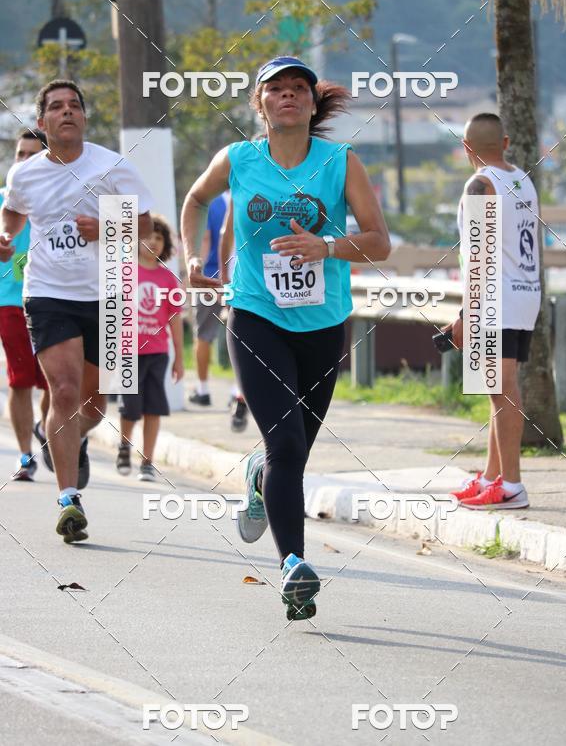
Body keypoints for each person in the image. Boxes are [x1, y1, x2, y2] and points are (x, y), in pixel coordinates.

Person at [181, 55, 390, 619]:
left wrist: (327, 246)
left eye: (300, 87)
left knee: (292, 452)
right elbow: (197, 199)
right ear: (260, 103)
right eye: (277, 89)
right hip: (254, 316)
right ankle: (293, 565)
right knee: (288, 446)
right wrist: (193, 256)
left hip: (323, 324)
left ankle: (258, 478)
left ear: (313, 103)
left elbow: (379, 240)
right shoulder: (238, 158)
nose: (289, 95)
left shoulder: (341, 162)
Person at [0, 79, 153, 543]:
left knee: (95, 404)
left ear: (84, 117)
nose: (66, 112)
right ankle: (69, 499)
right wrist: (4, 244)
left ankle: (74, 438)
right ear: (43, 122)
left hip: (111, 289)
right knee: (63, 391)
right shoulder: (24, 174)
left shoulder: (114, 167)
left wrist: (107, 227)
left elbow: (145, 231)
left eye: (74, 106)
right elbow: (11, 220)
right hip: (48, 293)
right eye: (56, 107)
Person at [447, 112, 541, 510]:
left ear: (467, 148)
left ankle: (513, 485)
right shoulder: (523, 179)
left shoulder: (480, 184)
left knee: (501, 391)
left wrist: (466, 314)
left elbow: (479, 255)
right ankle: (491, 476)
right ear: (504, 144)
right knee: (498, 391)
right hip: (524, 293)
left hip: (494, 298)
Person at [116, 213, 184, 480]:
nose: (153, 242)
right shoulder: (124, 272)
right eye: (147, 236)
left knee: (153, 409)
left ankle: (147, 461)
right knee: (130, 409)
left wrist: (179, 357)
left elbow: (175, 320)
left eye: (158, 238)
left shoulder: (169, 280)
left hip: (158, 353)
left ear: (165, 244)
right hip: (128, 353)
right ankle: (124, 446)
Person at [1, 129, 50, 481]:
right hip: (10, 304)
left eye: (32, 154)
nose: (24, 161)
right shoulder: (3, 201)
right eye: (20, 154)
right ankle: (24, 456)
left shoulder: (61, 200)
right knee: (19, 381)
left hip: (53, 300)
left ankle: (45, 426)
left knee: (55, 385)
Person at [189, 192, 248, 432]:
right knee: (243, 337)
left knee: (203, 335)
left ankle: (202, 389)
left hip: (211, 277)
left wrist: (194, 269)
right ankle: (238, 391)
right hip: (245, 279)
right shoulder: (253, 198)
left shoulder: (211, 204)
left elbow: (204, 239)